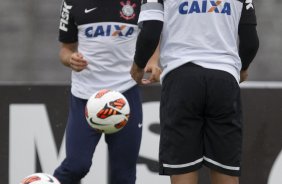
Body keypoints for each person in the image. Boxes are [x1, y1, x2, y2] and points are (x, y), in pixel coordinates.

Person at [131, 0, 259, 184]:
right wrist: (243, 67)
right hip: (224, 81)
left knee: (183, 168)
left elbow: (150, 32)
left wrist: (138, 66)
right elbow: (250, 42)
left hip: (181, 79)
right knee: (225, 168)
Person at [53, 0, 161, 184]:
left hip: (125, 94)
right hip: (85, 96)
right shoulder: (71, 2)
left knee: (123, 176)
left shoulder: (141, 2)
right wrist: (70, 59)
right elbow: (65, 49)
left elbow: (151, 34)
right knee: (76, 166)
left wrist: (152, 61)